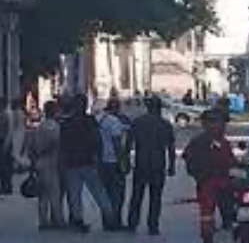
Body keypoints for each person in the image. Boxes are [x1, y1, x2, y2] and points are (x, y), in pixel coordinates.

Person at [181, 109, 236, 243]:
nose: (221, 126)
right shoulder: (201, 141)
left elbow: (231, 161)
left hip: (221, 182)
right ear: (207, 124)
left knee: (222, 212)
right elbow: (188, 158)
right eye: (217, 123)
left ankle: (219, 235)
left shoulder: (221, 142)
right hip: (209, 183)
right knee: (207, 215)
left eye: (221, 123)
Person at [59, 94, 118, 232]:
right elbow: (97, 140)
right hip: (88, 161)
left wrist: (62, 163)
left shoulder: (66, 123)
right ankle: (110, 218)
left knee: (75, 195)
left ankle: (78, 221)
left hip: (72, 163)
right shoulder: (90, 121)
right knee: (99, 192)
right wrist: (98, 157)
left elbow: (62, 146)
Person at [126, 96, 177, 235]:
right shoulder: (165, 124)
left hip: (141, 164)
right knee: (155, 197)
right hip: (157, 165)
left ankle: (132, 223)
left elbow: (128, 143)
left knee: (137, 196)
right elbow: (171, 148)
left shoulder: (138, 122)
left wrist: (125, 161)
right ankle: (153, 225)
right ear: (159, 108)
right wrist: (172, 165)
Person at [25, 100, 66, 230]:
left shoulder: (40, 127)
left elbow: (31, 147)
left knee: (43, 195)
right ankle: (58, 220)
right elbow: (56, 144)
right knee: (54, 193)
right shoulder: (54, 127)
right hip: (51, 163)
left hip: (40, 163)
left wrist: (33, 163)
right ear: (54, 111)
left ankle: (43, 221)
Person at [99, 97, 133, 225]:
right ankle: (115, 221)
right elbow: (117, 143)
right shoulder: (114, 122)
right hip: (114, 161)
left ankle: (106, 220)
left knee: (106, 192)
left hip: (102, 162)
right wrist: (123, 161)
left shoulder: (100, 119)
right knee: (117, 193)